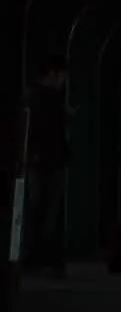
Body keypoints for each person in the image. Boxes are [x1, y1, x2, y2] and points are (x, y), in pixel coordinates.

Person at [24, 55, 70, 278]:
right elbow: (52, 131)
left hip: (36, 161)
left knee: (37, 209)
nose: (63, 81)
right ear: (52, 73)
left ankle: (35, 259)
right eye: (62, 76)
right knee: (49, 211)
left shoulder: (30, 96)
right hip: (51, 161)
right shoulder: (51, 98)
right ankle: (47, 259)